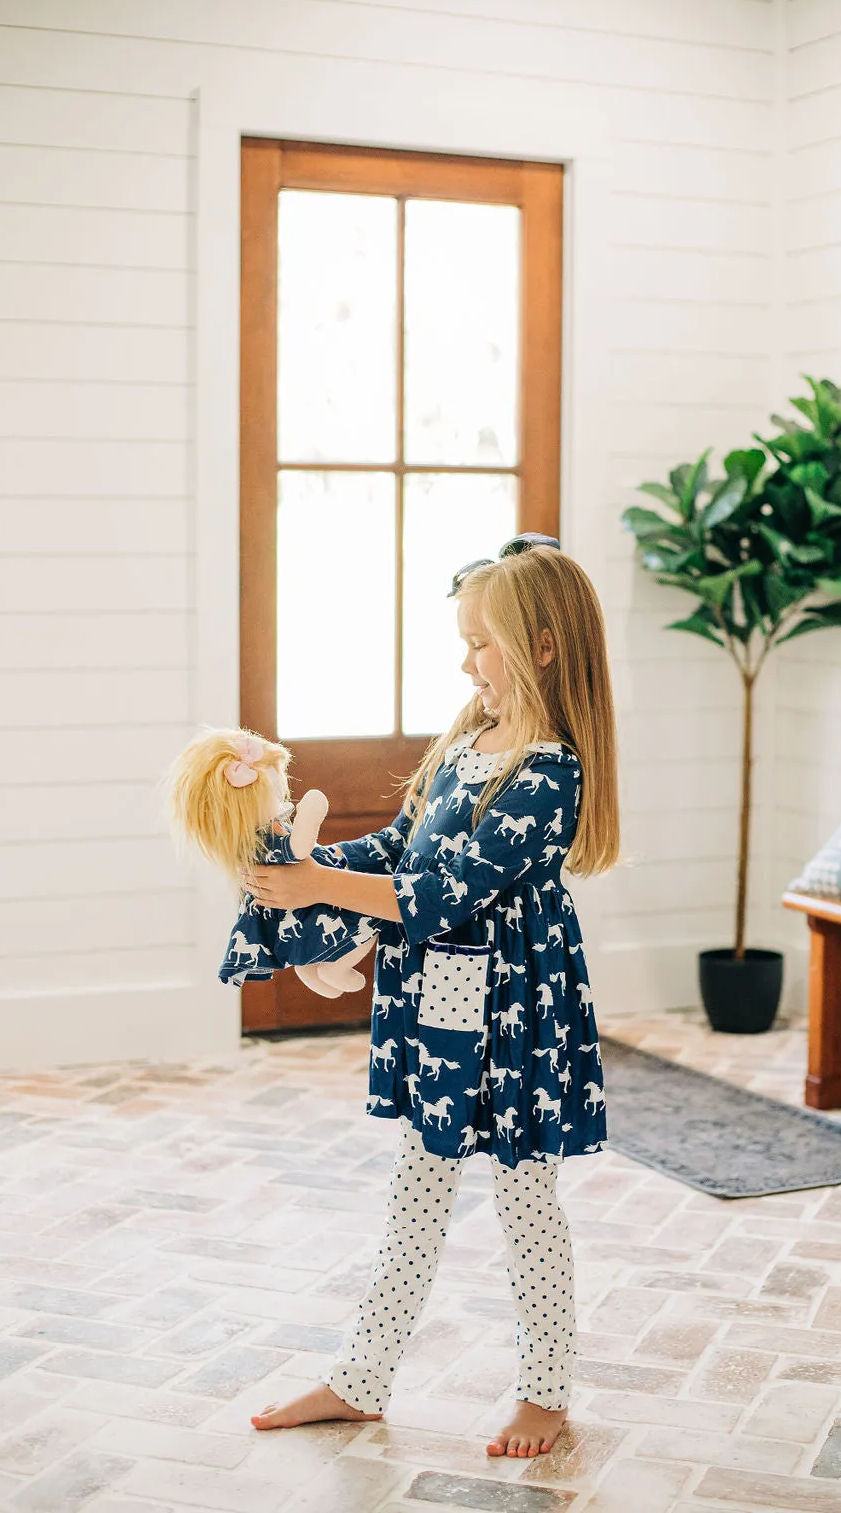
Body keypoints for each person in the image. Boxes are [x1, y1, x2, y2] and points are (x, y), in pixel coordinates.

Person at [244, 536, 619, 1458]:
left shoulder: (549, 770)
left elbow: (437, 893)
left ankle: (546, 1389)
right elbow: (403, 851)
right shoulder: (469, 736)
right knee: (414, 1196)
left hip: (516, 1016)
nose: (465, 662)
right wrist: (307, 867)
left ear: (539, 645)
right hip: (442, 1004)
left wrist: (319, 890)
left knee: (525, 1200)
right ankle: (360, 1378)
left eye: (479, 642)